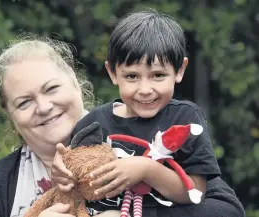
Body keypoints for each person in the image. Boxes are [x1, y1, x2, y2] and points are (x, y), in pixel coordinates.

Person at [51, 10, 246, 217]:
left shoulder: (185, 120)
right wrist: (63, 176)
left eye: (158, 75)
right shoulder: (92, 124)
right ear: (112, 73)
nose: (145, 89)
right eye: (132, 76)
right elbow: (78, 183)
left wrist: (147, 170)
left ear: (180, 70)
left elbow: (196, 192)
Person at [0, 36, 119, 217]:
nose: (44, 107)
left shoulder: (139, 143)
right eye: (24, 103)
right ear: (9, 114)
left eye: (51, 88)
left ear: (74, 80)